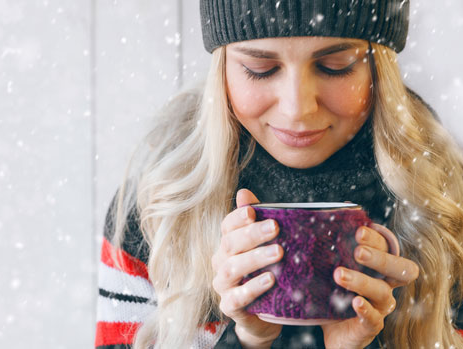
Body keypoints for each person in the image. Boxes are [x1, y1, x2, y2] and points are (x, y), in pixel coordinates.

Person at [95, 0, 463, 348]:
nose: (297, 109)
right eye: (260, 69)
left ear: (377, 68)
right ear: (223, 68)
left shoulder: (447, 210)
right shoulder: (159, 211)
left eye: (335, 65)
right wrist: (247, 340)